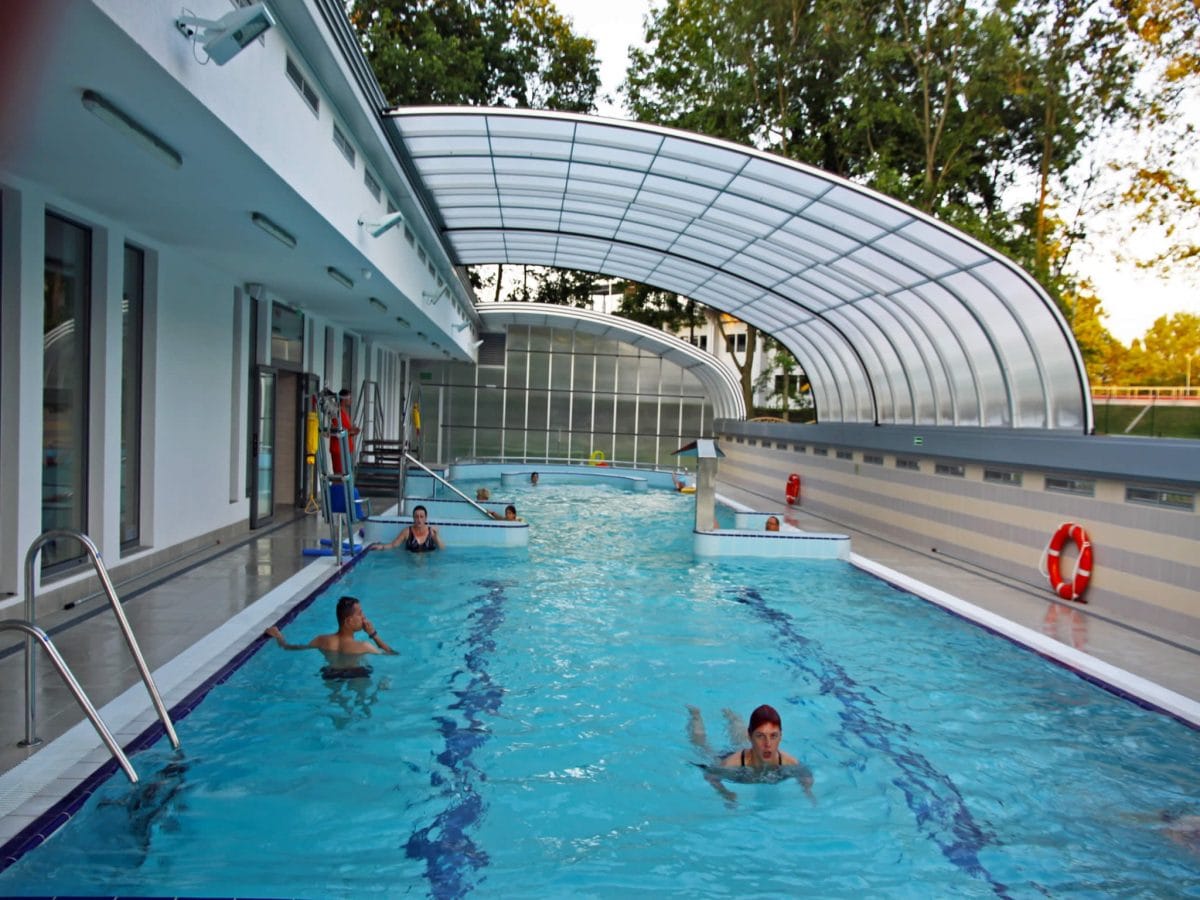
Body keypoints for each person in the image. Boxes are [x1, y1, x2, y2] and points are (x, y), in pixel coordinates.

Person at [688, 704, 813, 804]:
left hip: (750, 752)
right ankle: (696, 716)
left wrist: (807, 790)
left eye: (773, 736)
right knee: (703, 749)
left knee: (741, 741)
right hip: (737, 757)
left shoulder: (790, 762)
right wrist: (725, 793)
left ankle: (732, 717)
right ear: (751, 736)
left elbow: (806, 775)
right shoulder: (729, 765)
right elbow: (711, 776)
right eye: (760, 736)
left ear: (781, 736)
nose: (768, 744)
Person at [264, 595, 395, 679]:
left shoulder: (321, 640)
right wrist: (373, 634)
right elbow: (391, 654)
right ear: (349, 621)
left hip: (330, 674)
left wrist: (279, 636)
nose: (364, 617)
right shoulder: (363, 646)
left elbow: (289, 648)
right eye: (360, 614)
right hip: (357, 674)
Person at [370, 504, 443, 552]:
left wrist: (436, 536)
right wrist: (381, 547)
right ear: (413, 518)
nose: (419, 519)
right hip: (411, 563)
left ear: (425, 518)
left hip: (428, 563)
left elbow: (442, 548)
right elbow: (394, 544)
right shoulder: (407, 532)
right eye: (416, 517)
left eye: (421, 517)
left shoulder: (432, 532)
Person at [328, 388, 360, 477]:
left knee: (346, 476)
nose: (351, 400)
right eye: (350, 398)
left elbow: (345, 429)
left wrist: (352, 431)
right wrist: (350, 431)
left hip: (345, 450)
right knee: (340, 476)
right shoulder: (337, 413)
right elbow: (336, 430)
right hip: (339, 450)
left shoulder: (344, 413)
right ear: (344, 399)